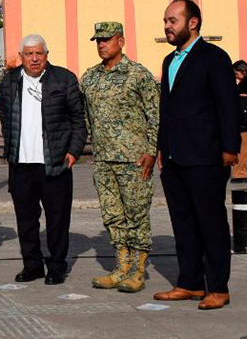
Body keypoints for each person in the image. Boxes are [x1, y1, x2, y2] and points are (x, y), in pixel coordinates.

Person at [152, 0, 240, 310]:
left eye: (172, 20)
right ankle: (189, 282)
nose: (167, 26)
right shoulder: (169, 61)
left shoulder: (214, 58)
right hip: (175, 157)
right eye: (165, 21)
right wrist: (163, 147)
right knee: (184, 224)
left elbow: (227, 106)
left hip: (206, 157)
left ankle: (218, 287)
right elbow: (167, 108)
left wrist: (231, 149)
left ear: (193, 23)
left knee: (211, 224)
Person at [0, 34, 86, 285]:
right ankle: (32, 264)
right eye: (29, 54)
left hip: (55, 162)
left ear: (47, 54)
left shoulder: (64, 79)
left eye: (39, 53)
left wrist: (73, 152)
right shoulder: (10, 81)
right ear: (21, 57)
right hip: (21, 163)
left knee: (57, 218)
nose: (34, 58)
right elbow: (4, 114)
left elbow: (78, 119)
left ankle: (56, 265)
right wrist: (12, 146)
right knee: (25, 219)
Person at [79, 22, 159, 293]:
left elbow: (155, 115)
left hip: (134, 159)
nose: (102, 44)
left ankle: (138, 270)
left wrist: (152, 150)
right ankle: (121, 267)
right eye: (98, 40)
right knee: (113, 215)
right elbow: (86, 116)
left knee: (137, 214)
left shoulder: (138, 75)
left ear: (121, 41)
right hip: (103, 159)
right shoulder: (90, 77)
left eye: (107, 39)